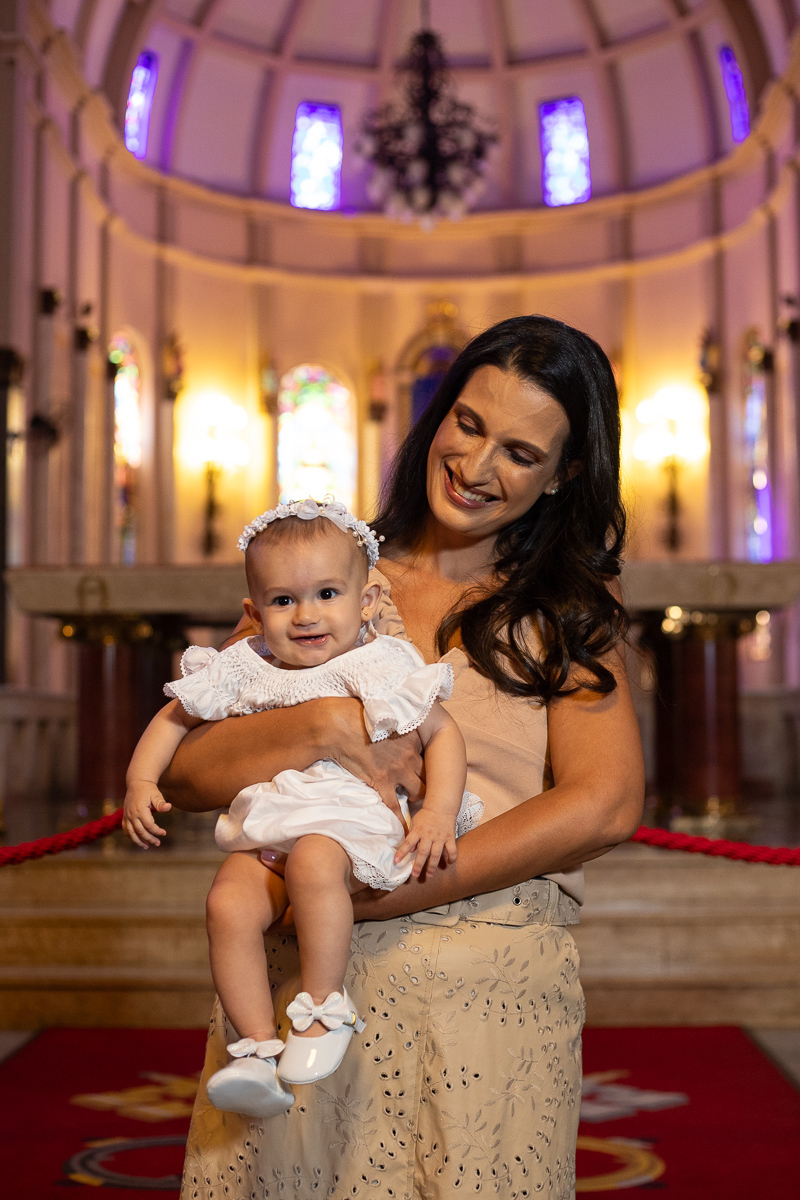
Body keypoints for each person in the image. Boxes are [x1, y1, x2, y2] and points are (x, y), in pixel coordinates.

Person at [165, 315, 645, 1199]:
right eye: (467, 423)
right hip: (300, 989)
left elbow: (604, 804)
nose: (476, 465)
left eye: (520, 452)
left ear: (564, 474)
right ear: (436, 414)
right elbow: (188, 773)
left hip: (482, 986)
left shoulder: (572, 602)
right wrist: (318, 729)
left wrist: (378, 892)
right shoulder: (326, 576)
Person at [122, 498, 482, 1116]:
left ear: (366, 602)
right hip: (268, 827)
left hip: (346, 822)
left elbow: (441, 734)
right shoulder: (244, 666)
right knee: (227, 903)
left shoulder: (379, 663)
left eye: (327, 594)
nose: (306, 615)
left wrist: (438, 812)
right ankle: (257, 1050)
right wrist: (138, 781)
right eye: (284, 600)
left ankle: (323, 1009)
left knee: (316, 865)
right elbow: (173, 719)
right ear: (253, 611)